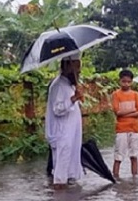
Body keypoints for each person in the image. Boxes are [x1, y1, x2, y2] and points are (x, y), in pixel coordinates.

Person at [45, 54, 84, 190]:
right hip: (62, 135)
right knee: (60, 175)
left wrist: (76, 97)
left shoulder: (69, 85)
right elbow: (57, 109)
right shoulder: (58, 85)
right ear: (67, 66)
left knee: (68, 173)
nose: (78, 71)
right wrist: (73, 99)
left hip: (70, 135)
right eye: (76, 66)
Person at [111, 69, 138, 178]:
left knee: (134, 156)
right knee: (118, 156)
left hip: (134, 129)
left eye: (129, 82)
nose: (126, 84)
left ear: (132, 82)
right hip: (121, 129)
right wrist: (132, 111)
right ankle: (115, 177)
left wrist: (124, 113)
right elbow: (117, 112)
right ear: (119, 81)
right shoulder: (116, 94)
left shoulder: (135, 94)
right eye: (124, 81)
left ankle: (135, 178)